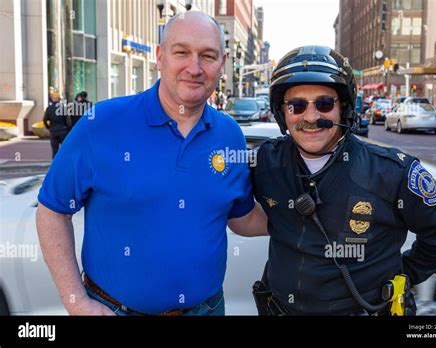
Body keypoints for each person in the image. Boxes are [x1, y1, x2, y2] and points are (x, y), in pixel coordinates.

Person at [36, 11, 267, 316]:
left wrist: (303, 216)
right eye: (181, 52)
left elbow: (241, 217)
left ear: (222, 64)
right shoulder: (101, 123)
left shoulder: (229, 135)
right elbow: (52, 211)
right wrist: (75, 301)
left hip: (208, 310)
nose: (194, 67)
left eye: (207, 56)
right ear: (160, 56)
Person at [250, 46, 436, 315]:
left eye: (324, 104)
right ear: (282, 112)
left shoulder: (389, 171)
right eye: (296, 105)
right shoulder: (265, 162)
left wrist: (402, 275)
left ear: (343, 108)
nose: (310, 117)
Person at [43, 92, 69, 159]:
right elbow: (68, 121)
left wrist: (48, 127)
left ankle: (55, 166)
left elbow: (45, 119)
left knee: (55, 151)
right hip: (63, 130)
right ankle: (64, 165)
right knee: (65, 150)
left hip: (53, 131)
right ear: (59, 99)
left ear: (52, 99)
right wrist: (68, 129)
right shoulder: (63, 108)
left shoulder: (49, 108)